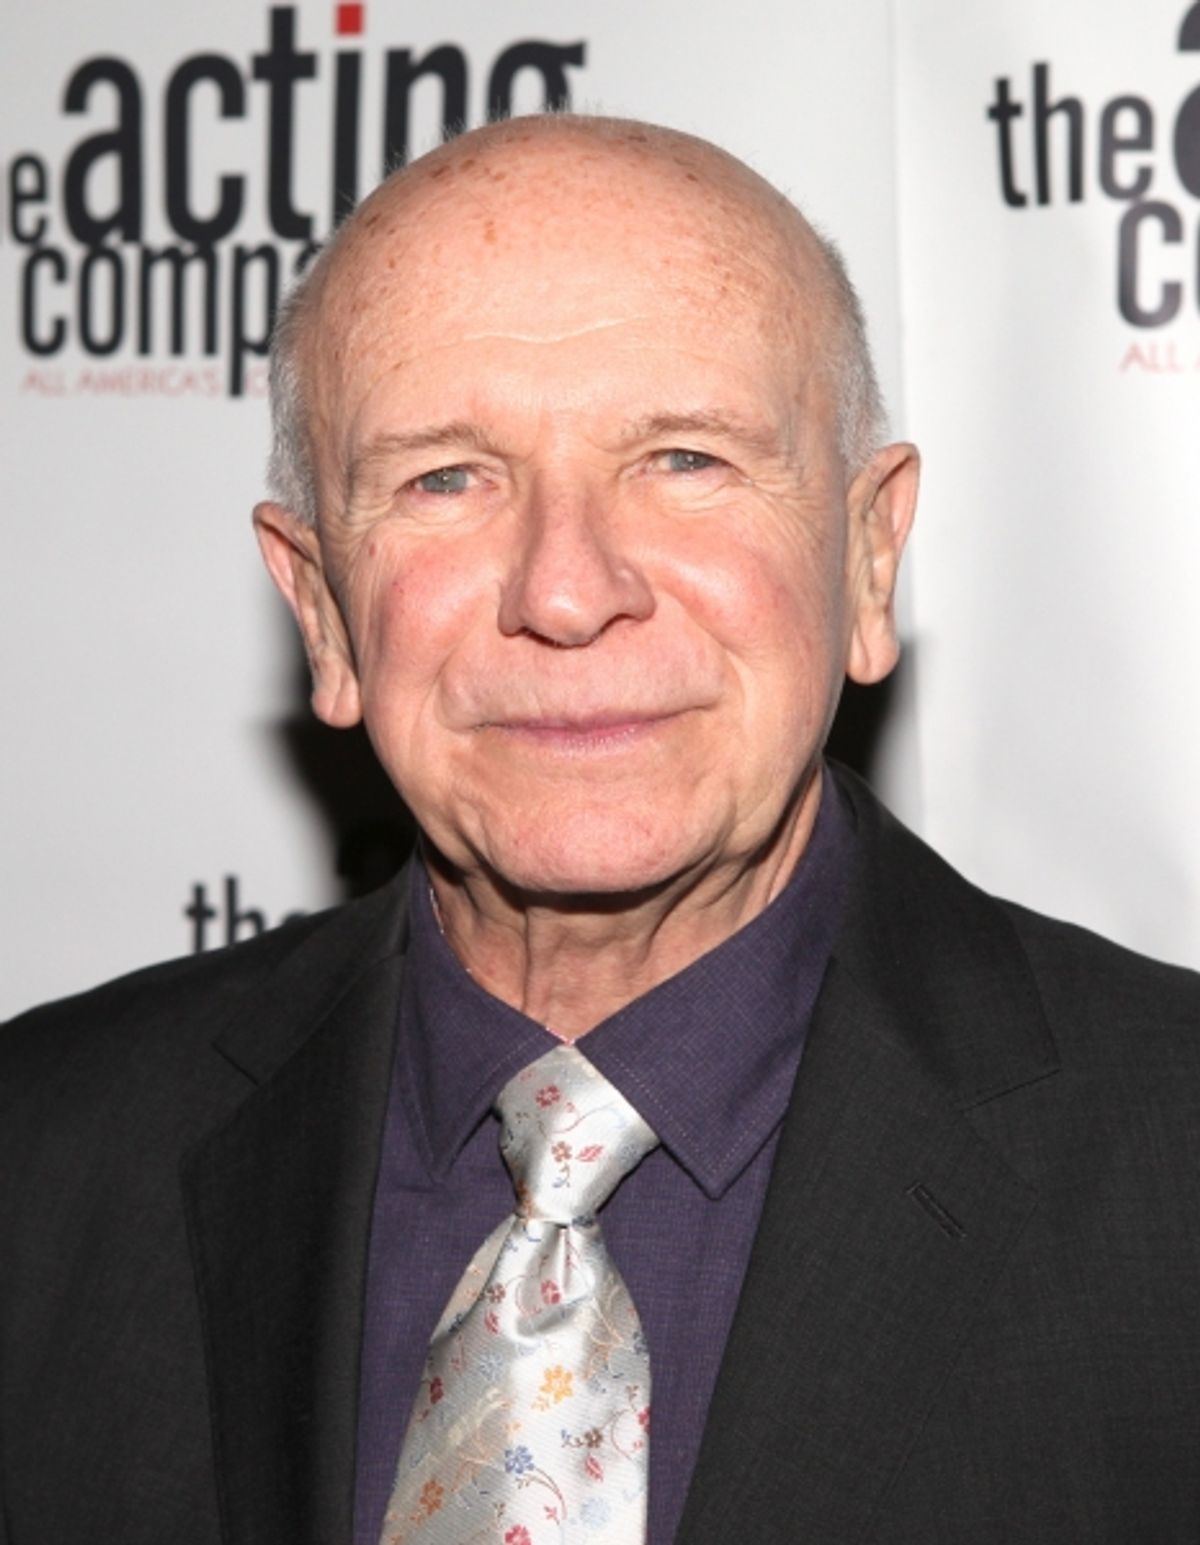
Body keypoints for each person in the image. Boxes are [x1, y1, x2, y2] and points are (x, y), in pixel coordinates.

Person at [3, 113, 1200, 1545]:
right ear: (320, 608)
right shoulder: (41, 1157)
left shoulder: (1169, 1178)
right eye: (448, 476)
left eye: (685, 457)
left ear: (868, 556)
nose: (567, 591)